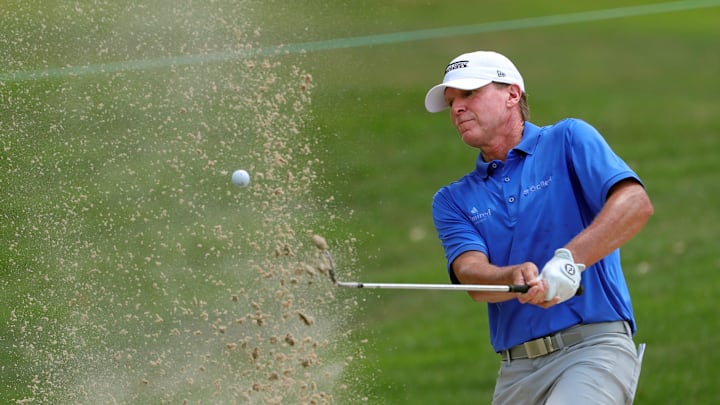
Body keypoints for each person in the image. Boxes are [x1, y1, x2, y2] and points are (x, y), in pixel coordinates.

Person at [424, 50, 654, 404]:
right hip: (516, 370)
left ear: (512, 94)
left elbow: (635, 203)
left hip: (592, 349)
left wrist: (569, 260)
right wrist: (510, 276)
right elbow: (471, 275)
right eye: (452, 101)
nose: (456, 108)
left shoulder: (568, 139)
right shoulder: (452, 199)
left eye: (469, 94)